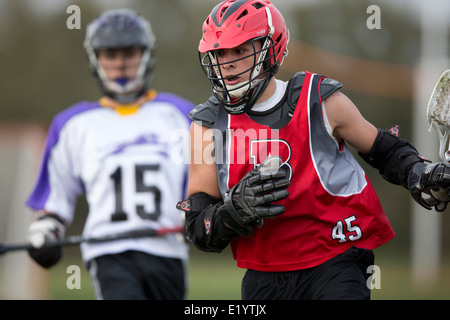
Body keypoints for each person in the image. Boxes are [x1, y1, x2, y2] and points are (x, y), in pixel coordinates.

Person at [177, 0, 450, 300]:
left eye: (240, 50)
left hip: (335, 261)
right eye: (219, 53)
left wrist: (421, 174)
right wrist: (233, 212)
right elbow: (198, 228)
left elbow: (383, 149)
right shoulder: (206, 126)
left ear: (271, 49)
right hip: (264, 274)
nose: (227, 62)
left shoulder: (318, 100)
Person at [25, 9, 194, 300]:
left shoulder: (182, 115)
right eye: (110, 54)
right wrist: (47, 230)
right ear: (95, 59)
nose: (120, 64)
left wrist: (198, 214)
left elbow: (203, 183)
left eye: (130, 52)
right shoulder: (72, 125)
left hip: (167, 250)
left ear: (146, 54)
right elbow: (56, 199)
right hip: (109, 252)